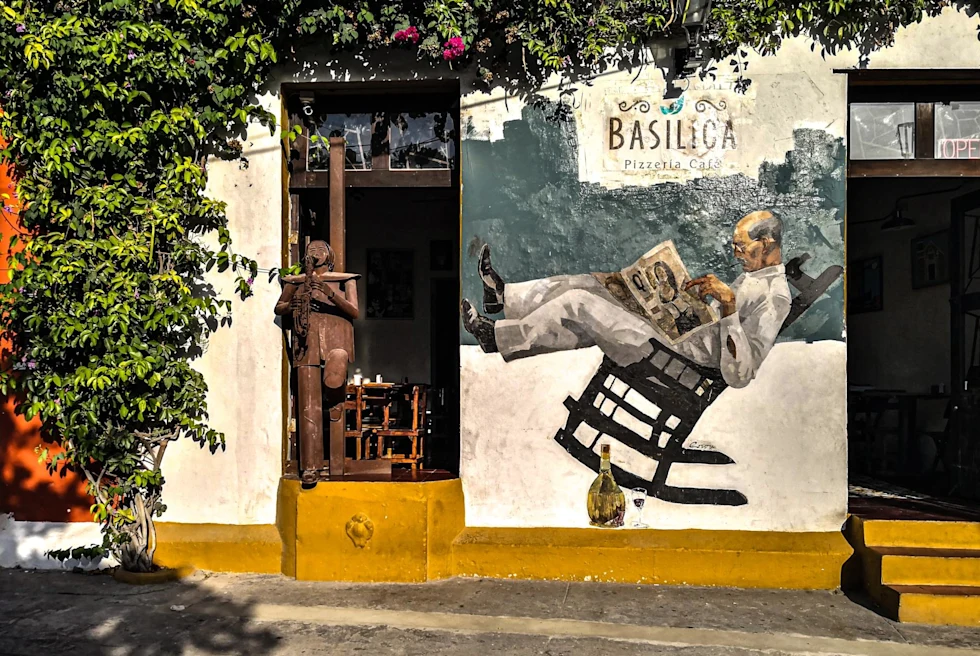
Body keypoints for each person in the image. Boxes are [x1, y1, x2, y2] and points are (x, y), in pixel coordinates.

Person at [461, 210, 792, 389]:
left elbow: (741, 375)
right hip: (673, 339)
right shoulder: (754, 277)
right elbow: (716, 325)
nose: (735, 254)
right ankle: (504, 296)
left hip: (675, 361)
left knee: (580, 303)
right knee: (594, 283)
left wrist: (729, 307)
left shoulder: (776, 297)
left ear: (766, 243)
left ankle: (497, 337)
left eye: (740, 246)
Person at [275, 240, 359, 485]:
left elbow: (354, 311)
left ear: (330, 255)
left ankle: (334, 398)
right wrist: (294, 305)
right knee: (308, 404)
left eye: (321, 249)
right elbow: (279, 307)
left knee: (334, 377)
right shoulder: (297, 281)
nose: (315, 252)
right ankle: (311, 468)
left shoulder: (345, 279)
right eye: (311, 249)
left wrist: (328, 291)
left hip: (337, 337)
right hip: (306, 340)